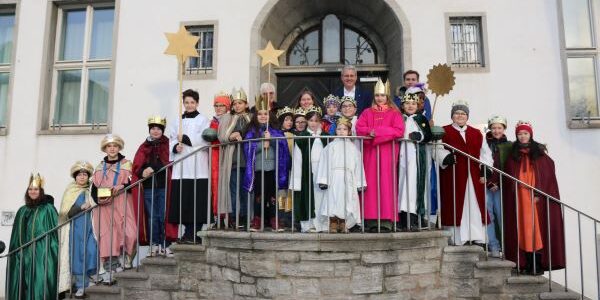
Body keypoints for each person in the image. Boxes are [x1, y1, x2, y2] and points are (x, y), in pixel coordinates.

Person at [496, 121, 565, 275]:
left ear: (530, 134)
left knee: (536, 230)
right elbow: (507, 174)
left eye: (525, 133)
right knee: (522, 230)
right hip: (519, 198)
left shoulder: (540, 154)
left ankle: (538, 264)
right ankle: (525, 262)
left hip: (536, 199)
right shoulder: (513, 154)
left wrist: (538, 192)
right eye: (520, 134)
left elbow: (547, 174)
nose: (522, 136)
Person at [436, 101, 493, 246]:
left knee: (475, 205)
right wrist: (445, 157)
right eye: (457, 113)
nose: (460, 116)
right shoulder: (443, 131)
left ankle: (477, 237)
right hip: (453, 174)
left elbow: (485, 153)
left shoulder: (476, 133)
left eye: (463, 113)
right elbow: (436, 148)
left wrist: (485, 168)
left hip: (473, 175)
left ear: (467, 116)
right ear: (452, 116)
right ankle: (458, 238)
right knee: (455, 204)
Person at [355, 78, 405, 232]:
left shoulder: (395, 113)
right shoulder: (366, 112)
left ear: (387, 97)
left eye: (382, 96)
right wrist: (373, 134)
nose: (379, 98)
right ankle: (370, 220)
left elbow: (398, 131)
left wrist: (375, 133)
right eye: (377, 95)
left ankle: (386, 221)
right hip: (370, 154)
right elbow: (360, 128)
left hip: (387, 154)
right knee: (370, 185)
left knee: (386, 185)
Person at [168, 89, 211, 243]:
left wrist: (186, 138)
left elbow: (206, 139)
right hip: (182, 165)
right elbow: (172, 138)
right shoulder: (177, 121)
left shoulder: (203, 120)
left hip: (197, 165)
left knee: (196, 200)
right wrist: (175, 146)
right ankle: (187, 232)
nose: (189, 105)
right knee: (183, 200)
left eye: (192, 102)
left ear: (197, 103)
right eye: (186, 102)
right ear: (183, 103)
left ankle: (196, 232)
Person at [6, 174, 58, 300]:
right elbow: (15, 236)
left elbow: (54, 234)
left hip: (41, 253)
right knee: (22, 283)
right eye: (30, 189)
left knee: (39, 282)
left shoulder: (48, 209)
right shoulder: (22, 210)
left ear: (41, 191)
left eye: (36, 189)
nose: (33, 191)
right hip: (23, 254)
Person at [91, 134, 137, 277]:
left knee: (131, 232)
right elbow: (93, 190)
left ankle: (128, 258)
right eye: (109, 146)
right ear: (105, 149)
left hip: (123, 201)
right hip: (105, 206)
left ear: (119, 148)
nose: (112, 149)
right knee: (109, 234)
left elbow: (135, 182)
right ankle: (111, 264)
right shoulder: (99, 167)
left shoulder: (127, 164)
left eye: (115, 146)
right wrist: (100, 199)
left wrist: (123, 185)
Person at [131, 116, 177, 256]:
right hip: (149, 188)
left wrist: (154, 167)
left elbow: (169, 161)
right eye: (153, 128)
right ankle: (154, 244)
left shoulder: (168, 144)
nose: (155, 131)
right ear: (149, 130)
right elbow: (136, 165)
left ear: (162, 130)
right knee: (151, 216)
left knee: (164, 215)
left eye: (158, 129)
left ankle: (165, 244)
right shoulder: (143, 146)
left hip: (164, 186)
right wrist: (142, 171)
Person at [243, 96, 289, 231]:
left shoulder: (275, 131)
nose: (263, 117)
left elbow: (283, 146)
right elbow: (248, 149)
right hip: (259, 168)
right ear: (255, 116)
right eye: (260, 114)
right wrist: (262, 143)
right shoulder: (252, 131)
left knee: (273, 196)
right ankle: (257, 220)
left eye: (266, 114)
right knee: (259, 196)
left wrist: (272, 140)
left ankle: (274, 219)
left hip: (273, 169)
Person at [316, 117, 367, 233]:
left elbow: (358, 166)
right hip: (334, 177)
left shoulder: (354, 148)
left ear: (349, 131)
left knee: (347, 200)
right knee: (333, 200)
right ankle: (333, 222)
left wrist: (360, 182)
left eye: (344, 129)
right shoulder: (330, 147)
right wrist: (324, 180)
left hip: (349, 178)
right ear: (335, 131)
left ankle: (344, 223)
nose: (341, 131)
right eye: (339, 129)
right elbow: (325, 163)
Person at [58, 162, 97, 298]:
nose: (82, 177)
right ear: (75, 177)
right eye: (79, 174)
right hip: (76, 228)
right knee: (78, 255)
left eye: (85, 174)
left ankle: (92, 276)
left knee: (92, 251)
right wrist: (80, 208)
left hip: (91, 227)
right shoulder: (70, 190)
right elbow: (64, 212)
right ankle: (81, 285)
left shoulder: (92, 188)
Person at [289, 106, 329, 232]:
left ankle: (323, 224)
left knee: (322, 198)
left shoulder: (326, 137)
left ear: (320, 122)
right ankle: (309, 225)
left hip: (322, 171)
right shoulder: (302, 137)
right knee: (309, 197)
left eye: (316, 121)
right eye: (311, 120)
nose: (314, 123)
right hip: (308, 172)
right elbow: (297, 159)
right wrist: (296, 180)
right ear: (307, 121)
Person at [217, 87, 252, 229]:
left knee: (246, 191)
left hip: (248, 160)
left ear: (246, 104)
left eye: (240, 103)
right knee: (234, 190)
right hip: (234, 160)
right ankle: (234, 217)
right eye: (235, 103)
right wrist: (230, 136)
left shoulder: (252, 117)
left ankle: (245, 217)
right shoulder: (227, 117)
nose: (237, 106)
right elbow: (221, 136)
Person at [398, 93, 432, 231]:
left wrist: (420, 135)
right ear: (402, 106)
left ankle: (414, 216)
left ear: (417, 105)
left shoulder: (421, 118)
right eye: (407, 103)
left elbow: (428, 135)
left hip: (415, 156)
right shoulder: (399, 119)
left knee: (413, 185)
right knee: (401, 184)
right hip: (401, 156)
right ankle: (402, 216)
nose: (410, 106)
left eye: (413, 104)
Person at [484, 115, 512, 258]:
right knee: (488, 216)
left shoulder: (509, 146)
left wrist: (499, 182)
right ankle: (493, 245)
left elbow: (509, 167)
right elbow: (481, 162)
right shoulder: (484, 144)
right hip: (487, 185)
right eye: (493, 128)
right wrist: (489, 182)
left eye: (499, 128)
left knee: (502, 215)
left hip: (501, 185)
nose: (496, 131)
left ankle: (507, 247)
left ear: (504, 129)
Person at [210, 92, 231, 224]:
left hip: (226, 154)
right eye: (216, 105)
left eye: (221, 105)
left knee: (226, 185)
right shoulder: (212, 121)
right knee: (215, 185)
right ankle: (218, 216)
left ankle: (228, 216)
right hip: (215, 156)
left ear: (227, 107)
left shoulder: (230, 119)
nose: (218, 108)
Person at [276, 106, 295, 228]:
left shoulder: (294, 135)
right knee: (280, 192)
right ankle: (280, 216)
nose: (289, 122)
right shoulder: (276, 134)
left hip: (290, 168)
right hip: (280, 169)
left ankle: (289, 216)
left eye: (291, 120)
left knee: (290, 192)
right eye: (287, 119)